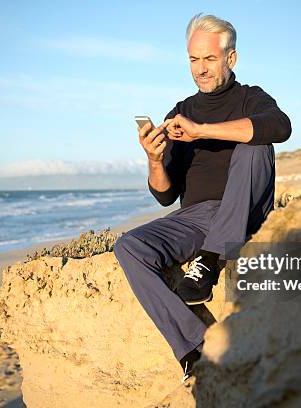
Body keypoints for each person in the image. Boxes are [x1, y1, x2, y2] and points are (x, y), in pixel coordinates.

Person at [113, 13, 291, 383]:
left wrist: (202, 132)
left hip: (244, 211)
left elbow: (280, 127)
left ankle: (211, 259)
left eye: (209, 59)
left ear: (231, 59)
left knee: (255, 145)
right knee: (129, 246)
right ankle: (195, 348)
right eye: (194, 59)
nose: (200, 69)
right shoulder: (179, 111)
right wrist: (155, 159)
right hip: (195, 217)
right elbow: (165, 195)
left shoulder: (251, 99)